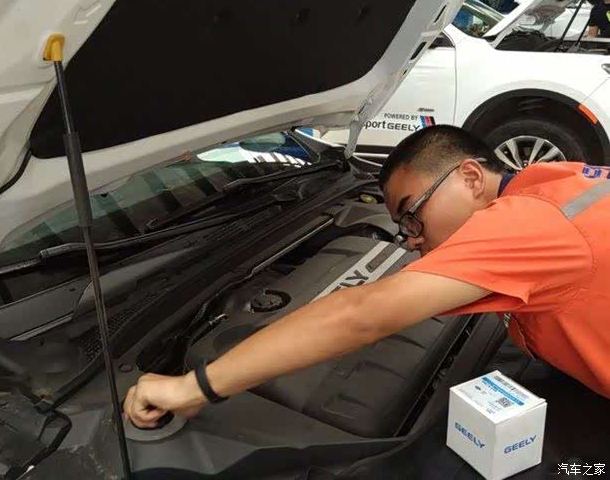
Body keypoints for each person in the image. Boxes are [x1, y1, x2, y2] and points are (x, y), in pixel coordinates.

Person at [122, 126, 610, 428]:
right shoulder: (558, 183)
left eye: (412, 215)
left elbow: (359, 314)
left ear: (470, 177)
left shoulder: (536, 223)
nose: (411, 240)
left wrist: (194, 387)